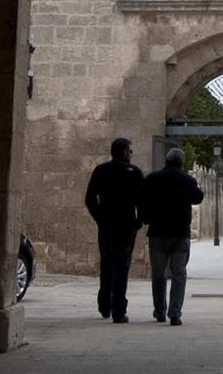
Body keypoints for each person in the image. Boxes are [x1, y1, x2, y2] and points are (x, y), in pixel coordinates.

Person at [137, 147, 204, 326]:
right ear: (181, 162)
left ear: (166, 161)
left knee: (158, 274)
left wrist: (143, 218)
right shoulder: (187, 180)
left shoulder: (152, 179)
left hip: (158, 232)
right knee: (179, 273)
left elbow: (140, 199)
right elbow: (198, 198)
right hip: (180, 233)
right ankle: (175, 313)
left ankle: (159, 311)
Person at [84, 137, 144, 323]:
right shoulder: (133, 172)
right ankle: (119, 310)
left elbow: (90, 199)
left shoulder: (101, 170)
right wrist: (138, 221)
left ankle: (104, 306)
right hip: (126, 225)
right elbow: (142, 200)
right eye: (130, 151)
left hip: (107, 226)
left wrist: (100, 219)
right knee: (122, 267)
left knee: (107, 264)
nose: (131, 155)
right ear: (125, 152)